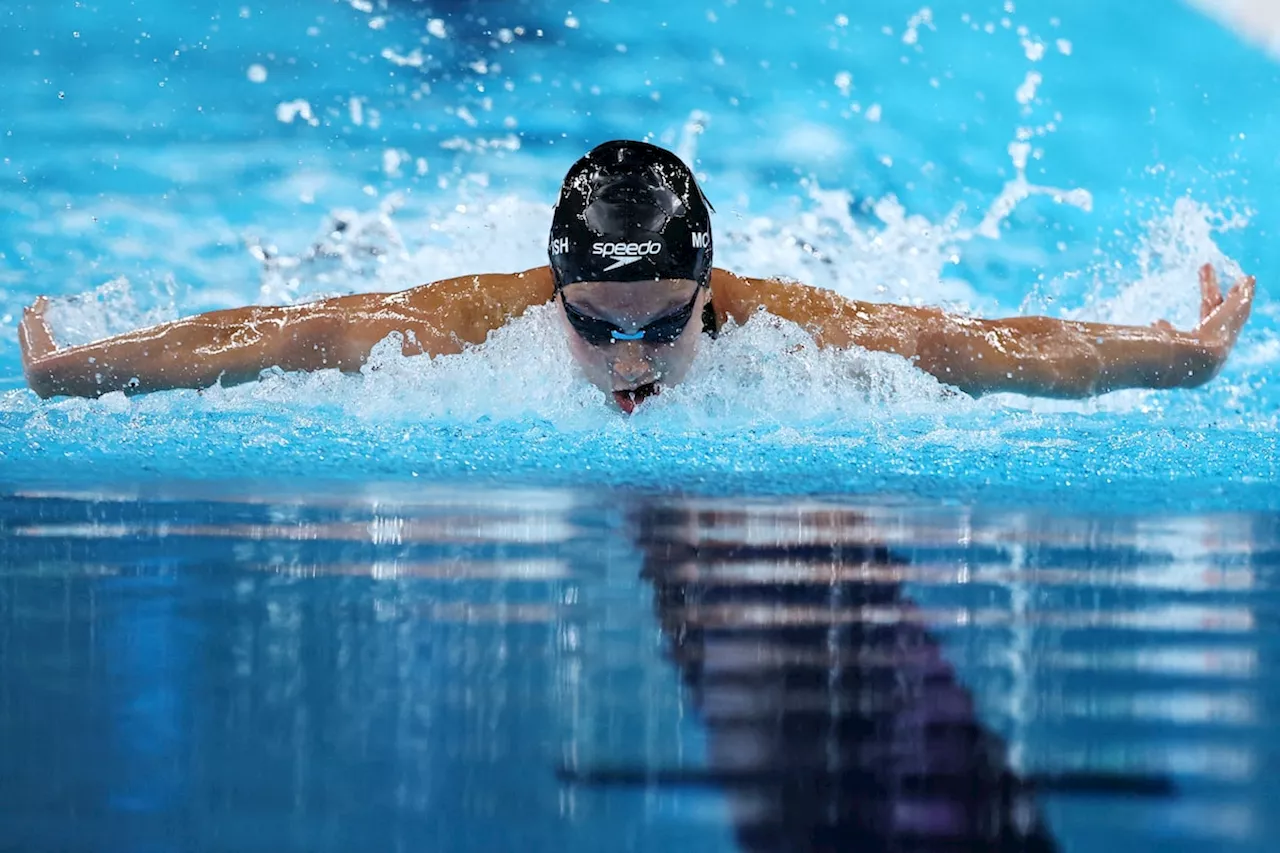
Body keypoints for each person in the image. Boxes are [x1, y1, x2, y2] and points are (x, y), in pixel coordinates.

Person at [18, 140, 1255, 412]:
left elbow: (984, 344)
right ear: (550, 292)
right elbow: (269, 334)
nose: (627, 361)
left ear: (709, 292)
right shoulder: (449, 330)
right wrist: (85, 375)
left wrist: (1180, 354)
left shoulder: (789, 327)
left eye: (664, 324)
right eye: (595, 323)